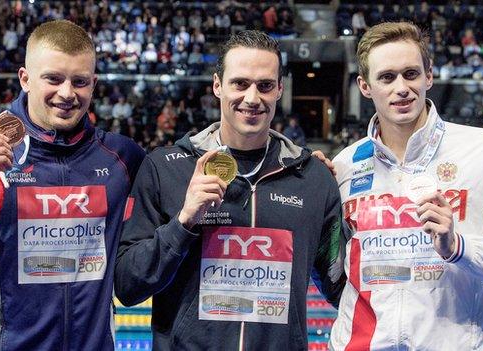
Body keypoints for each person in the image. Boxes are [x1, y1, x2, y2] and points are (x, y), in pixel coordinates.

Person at [115, 30, 346, 350]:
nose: (252, 98)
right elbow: (128, 285)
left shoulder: (313, 179)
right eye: (240, 83)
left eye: (265, 85)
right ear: (217, 86)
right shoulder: (165, 168)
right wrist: (183, 223)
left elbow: (341, 287)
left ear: (279, 89)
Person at [0, 20, 145, 350]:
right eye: (53, 78)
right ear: (25, 79)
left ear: (93, 84)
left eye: (79, 81)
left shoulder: (123, 158)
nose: (67, 93)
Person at [329, 22, 483, 351]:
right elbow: (332, 268)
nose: (401, 88)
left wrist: (459, 247)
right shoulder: (346, 164)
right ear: (365, 86)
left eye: (411, 74)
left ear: (429, 76)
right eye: (387, 77)